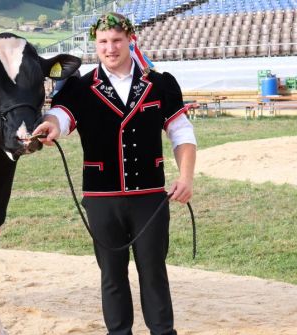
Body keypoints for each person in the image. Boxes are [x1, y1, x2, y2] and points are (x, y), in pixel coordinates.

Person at [33, 12, 197, 335]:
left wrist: (187, 177)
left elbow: (182, 134)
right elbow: (60, 119)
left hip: (149, 199)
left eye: (117, 40)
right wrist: (50, 127)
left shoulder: (160, 84)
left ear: (130, 41)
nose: (110, 48)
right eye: (103, 42)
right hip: (102, 199)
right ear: (96, 44)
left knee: (154, 272)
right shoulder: (79, 88)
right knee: (112, 275)